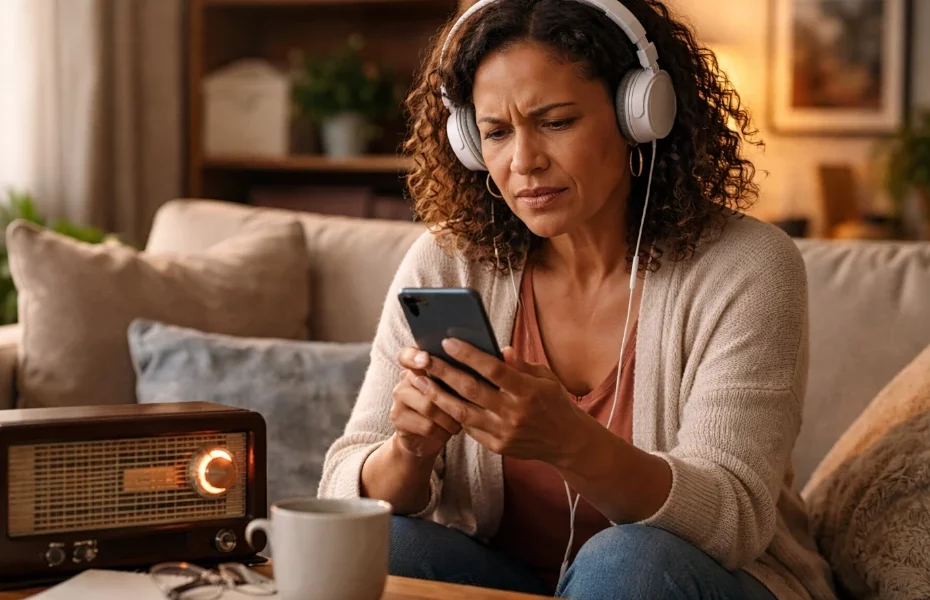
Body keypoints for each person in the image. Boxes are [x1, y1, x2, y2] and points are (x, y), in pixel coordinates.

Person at [319, 0, 837, 598]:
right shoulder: (448, 262)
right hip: (508, 577)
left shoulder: (747, 267)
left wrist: (570, 441)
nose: (524, 161)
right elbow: (341, 486)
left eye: (557, 121)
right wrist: (409, 450)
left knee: (626, 562)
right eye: (496, 132)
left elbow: (733, 519)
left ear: (639, 114)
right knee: (380, 542)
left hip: (699, 580)